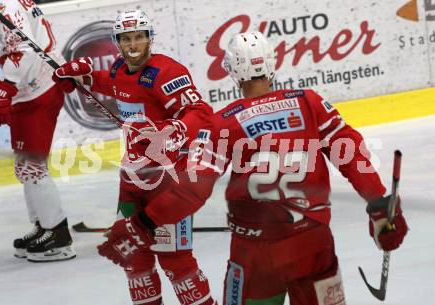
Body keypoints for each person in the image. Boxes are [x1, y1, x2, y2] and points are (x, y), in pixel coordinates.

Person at [121, 31, 408, 305]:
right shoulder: (309, 102)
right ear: (271, 63)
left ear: (231, 71)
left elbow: (193, 188)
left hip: (255, 253)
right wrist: (379, 201)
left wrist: (146, 221)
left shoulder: (223, 122)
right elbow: (349, 150)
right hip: (315, 244)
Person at [52, 9, 217, 305]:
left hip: (169, 182)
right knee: (134, 262)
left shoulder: (167, 73)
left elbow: (202, 114)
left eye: (139, 37)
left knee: (176, 263)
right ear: (117, 42)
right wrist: (83, 76)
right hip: (132, 179)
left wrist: (174, 129)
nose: (133, 44)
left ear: (149, 38)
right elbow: (111, 84)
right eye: (126, 38)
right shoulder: (118, 69)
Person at [0, 0, 75, 262]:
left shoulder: (5, 7)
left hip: (39, 88)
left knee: (32, 166)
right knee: (25, 166)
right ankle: (44, 226)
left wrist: (5, 88)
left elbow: (25, 49)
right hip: (30, 88)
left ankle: (59, 236)